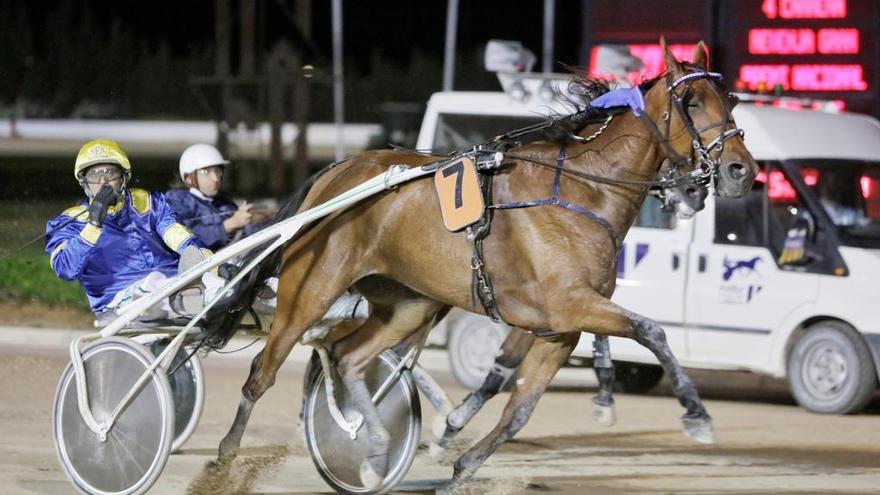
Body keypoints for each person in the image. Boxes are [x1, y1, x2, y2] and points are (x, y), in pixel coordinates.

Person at [45, 138, 215, 324]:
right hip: (118, 301)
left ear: (123, 178)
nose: (103, 181)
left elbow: (177, 235)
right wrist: (93, 225)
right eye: (94, 175)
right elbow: (65, 269)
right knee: (152, 282)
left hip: (171, 282)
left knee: (219, 284)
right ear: (85, 182)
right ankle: (181, 297)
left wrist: (213, 263)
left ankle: (190, 294)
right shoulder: (68, 222)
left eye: (110, 173)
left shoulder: (149, 202)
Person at [165, 143, 263, 250]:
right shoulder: (176, 201)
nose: (215, 178)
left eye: (218, 171)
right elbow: (187, 240)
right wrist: (230, 224)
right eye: (206, 172)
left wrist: (253, 221)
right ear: (189, 178)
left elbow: (247, 236)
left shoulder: (223, 200)